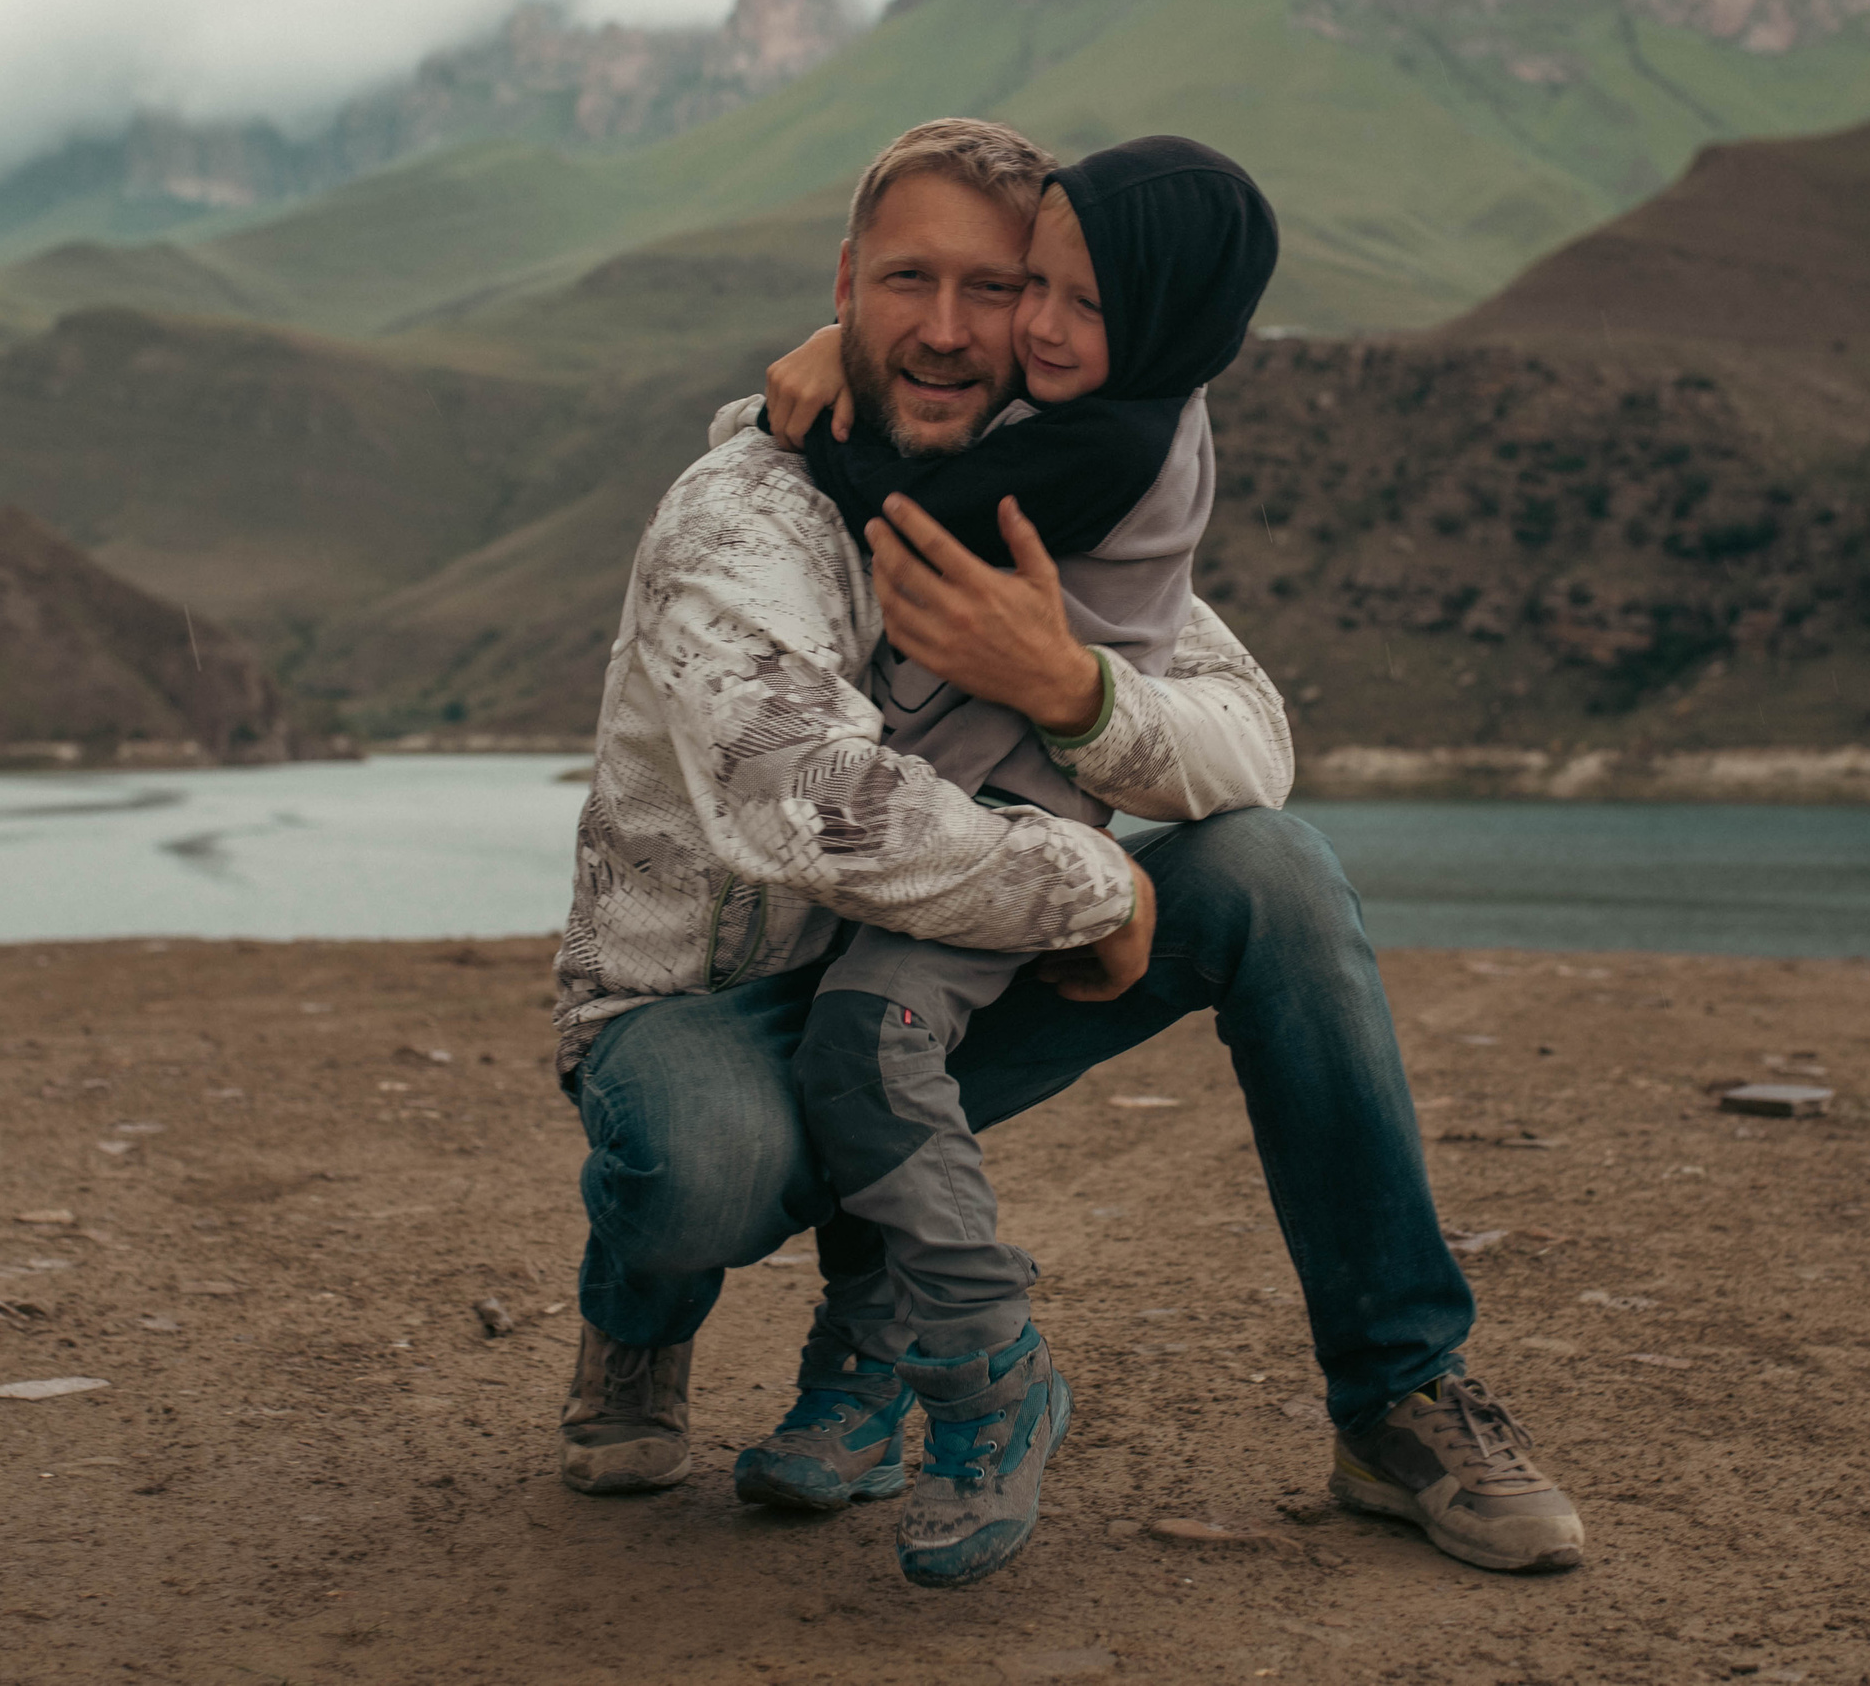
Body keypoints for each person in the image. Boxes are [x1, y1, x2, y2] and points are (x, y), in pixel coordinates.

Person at [550, 117, 1585, 1584]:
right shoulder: (743, 516)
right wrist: (1092, 883)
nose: (973, 330)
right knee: (702, 1163)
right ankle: (639, 1317)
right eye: (914, 282)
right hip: (706, 1013)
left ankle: (1400, 1395)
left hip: (918, 973)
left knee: (1274, 872)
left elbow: (1250, 738)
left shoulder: (1044, 484)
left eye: (1016, 287)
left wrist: (1072, 689)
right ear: (843, 287)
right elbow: (808, 797)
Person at [714, 137, 1267, 1588]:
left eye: (1076, 304)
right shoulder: (1137, 399)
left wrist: (817, 390)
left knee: (870, 1053)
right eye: (1045, 293)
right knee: (863, 1085)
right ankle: (861, 1374)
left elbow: (894, 519)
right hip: (951, 799)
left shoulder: (1108, 437)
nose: (1035, 333)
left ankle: (985, 1377)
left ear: (1159, 317)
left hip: (1010, 827)